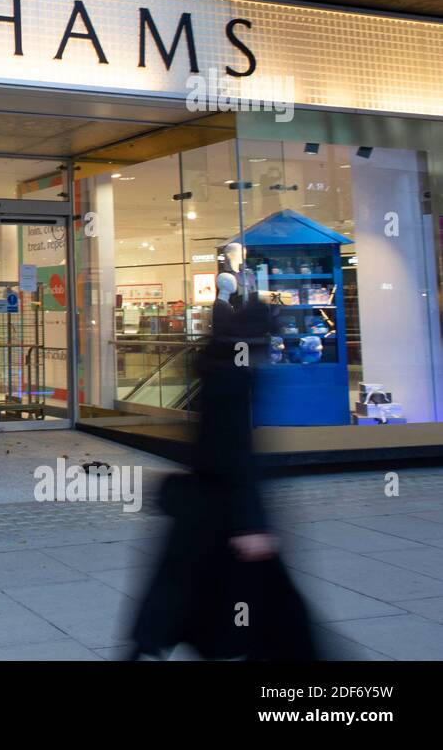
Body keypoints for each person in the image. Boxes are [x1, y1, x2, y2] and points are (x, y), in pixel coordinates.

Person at [127, 274, 318, 660]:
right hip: (227, 513)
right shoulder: (233, 379)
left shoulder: (217, 368)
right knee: (270, 613)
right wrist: (250, 521)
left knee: (188, 594)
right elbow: (233, 451)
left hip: (208, 511)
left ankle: (157, 642)